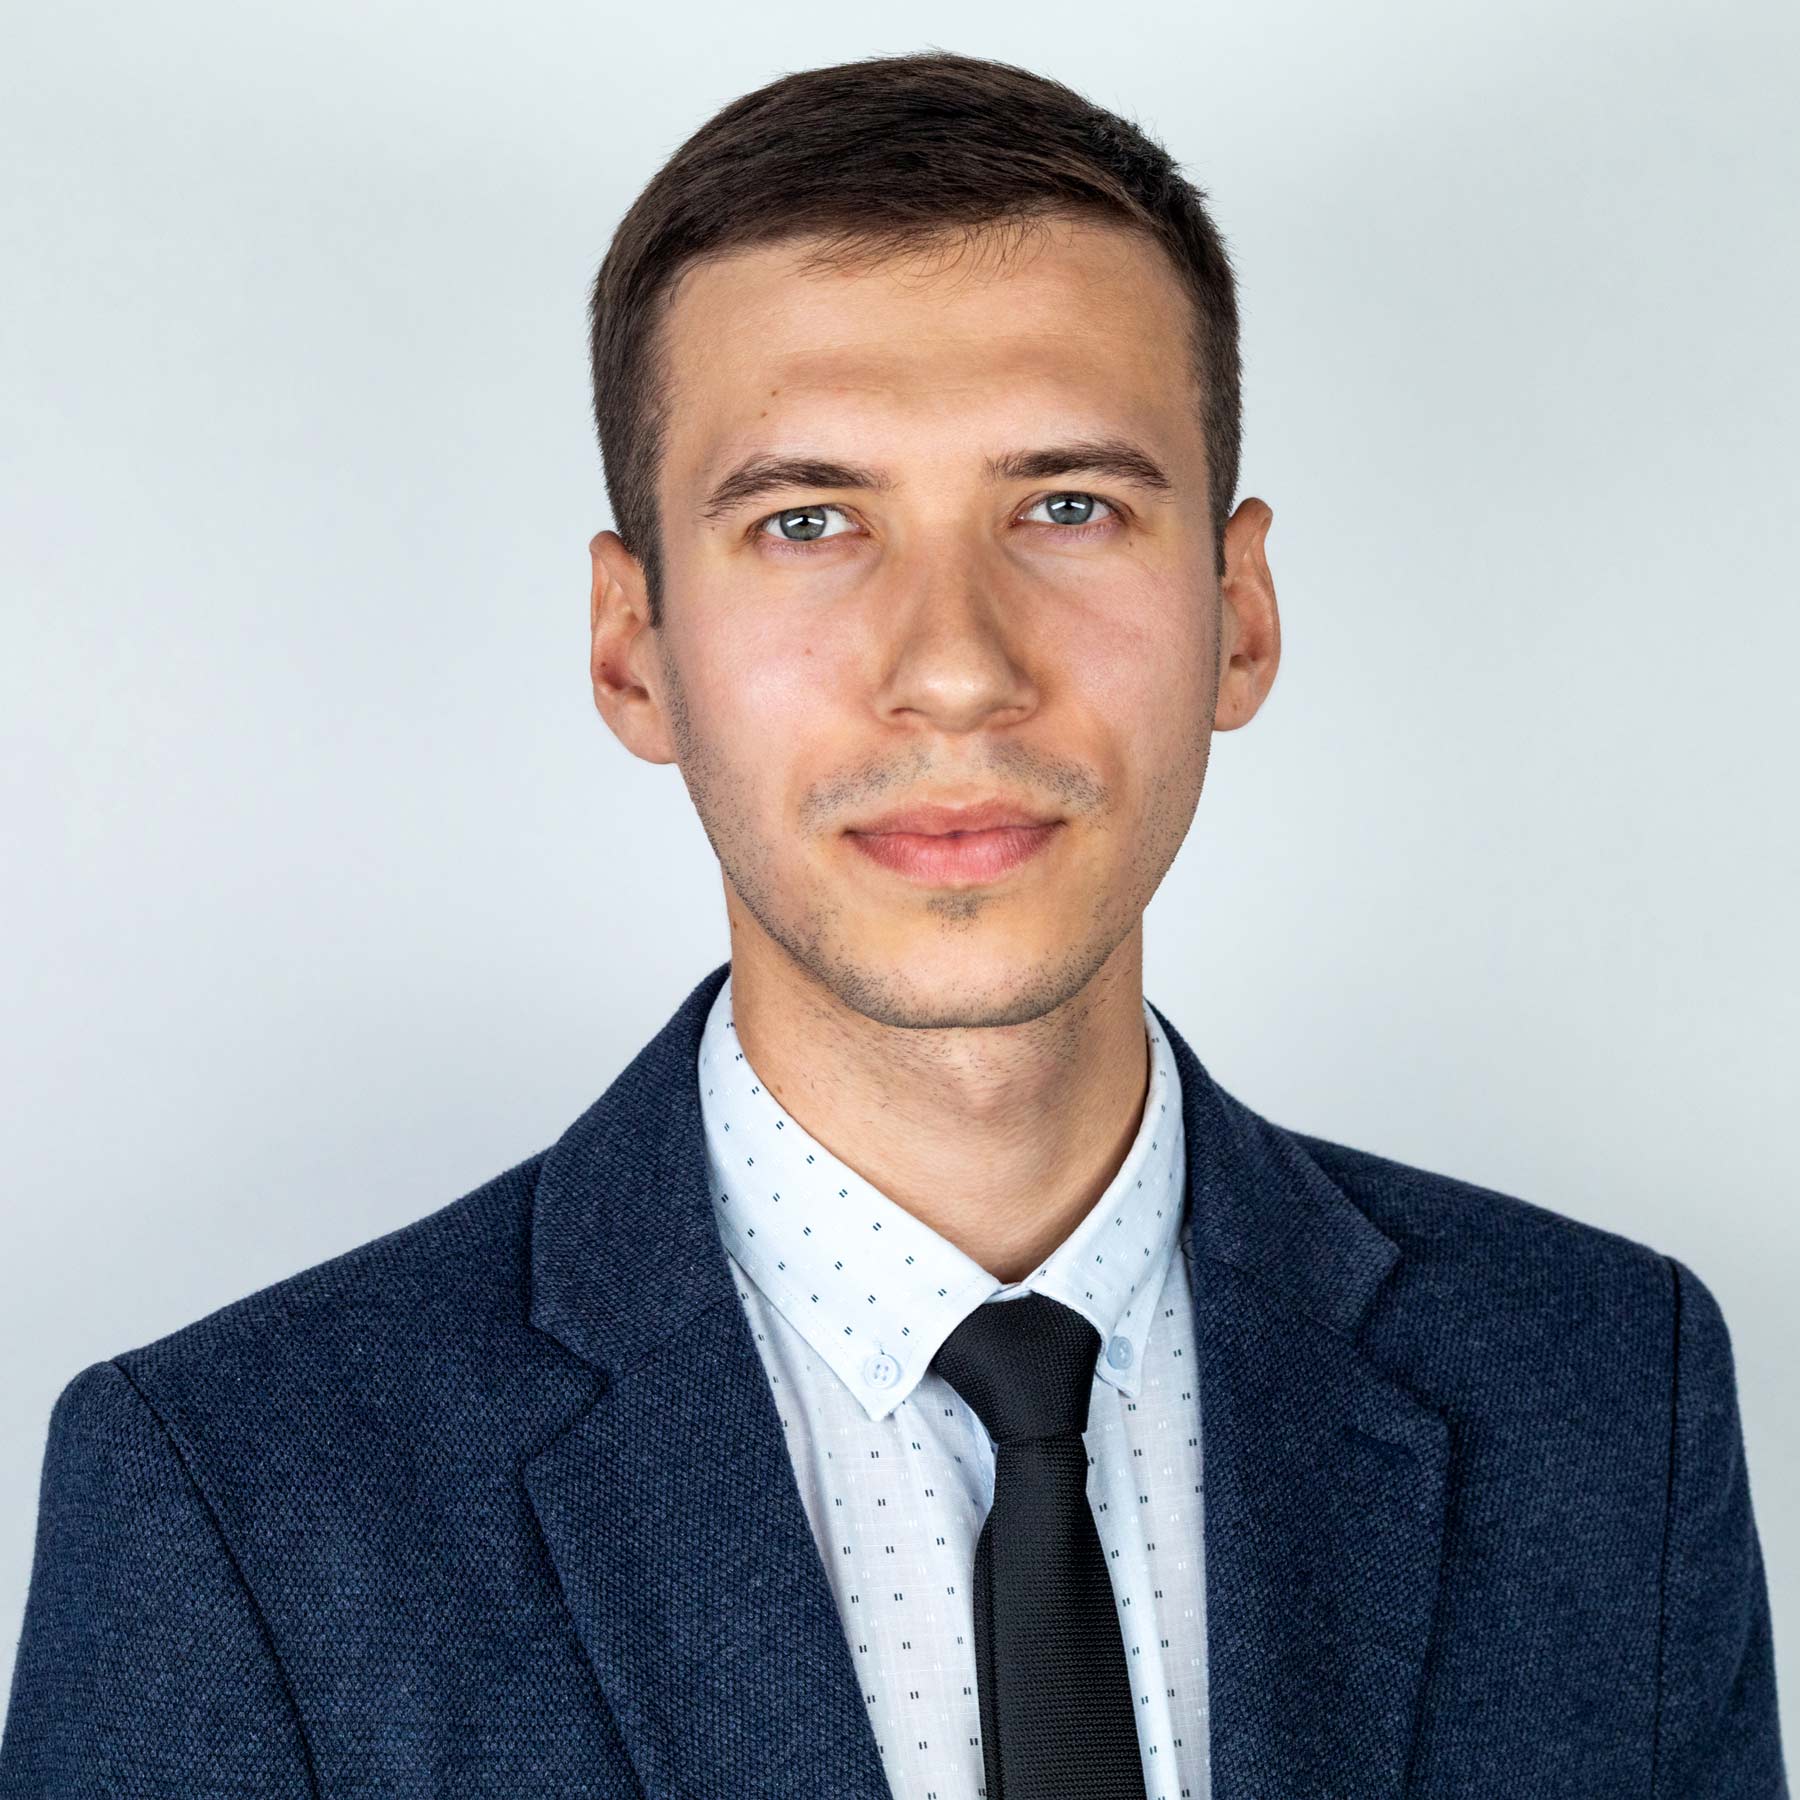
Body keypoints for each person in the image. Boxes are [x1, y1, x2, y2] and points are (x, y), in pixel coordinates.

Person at [0, 47, 1785, 1800]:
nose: (956, 667)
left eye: (1068, 507)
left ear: (1238, 614)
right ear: (635, 650)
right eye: (809, 521)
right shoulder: (233, 1501)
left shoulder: (1611, 1393)